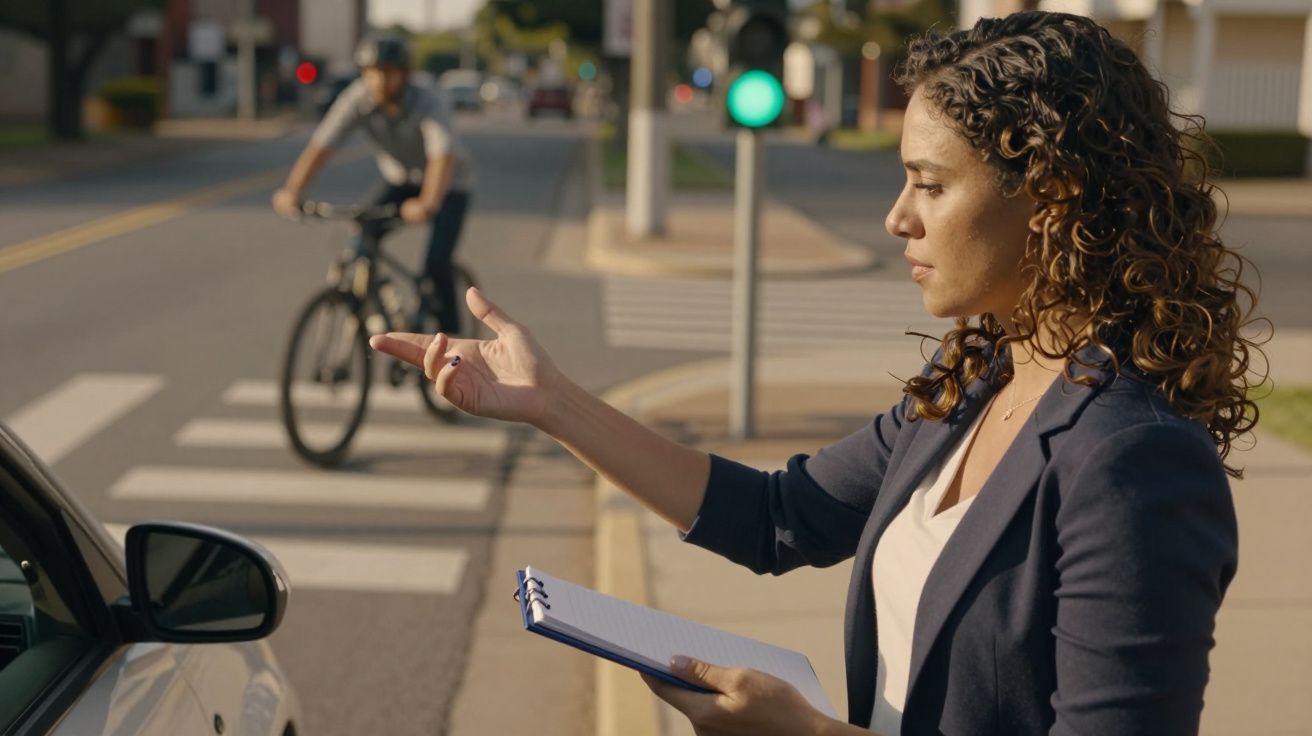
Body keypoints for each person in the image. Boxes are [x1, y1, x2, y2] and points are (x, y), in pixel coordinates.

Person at [370, 11, 1266, 736]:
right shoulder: (981, 377)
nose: (895, 218)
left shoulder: (1135, 462)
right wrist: (552, 402)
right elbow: (774, 518)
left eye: (930, 183)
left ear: (1051, 196)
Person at [272, 33, 475, 333]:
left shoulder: (428, 98)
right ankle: (373, 305)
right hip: (402, 180)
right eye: (371, 72)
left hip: (448, 185)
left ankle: (456, 347)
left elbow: (442, 154)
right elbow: (321, 146)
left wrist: (428, 202)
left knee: (436, 264)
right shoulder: (357, 98)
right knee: (362, 235)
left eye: (387, 72)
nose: (378, 80)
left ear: (404, 74)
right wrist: (292, 191)